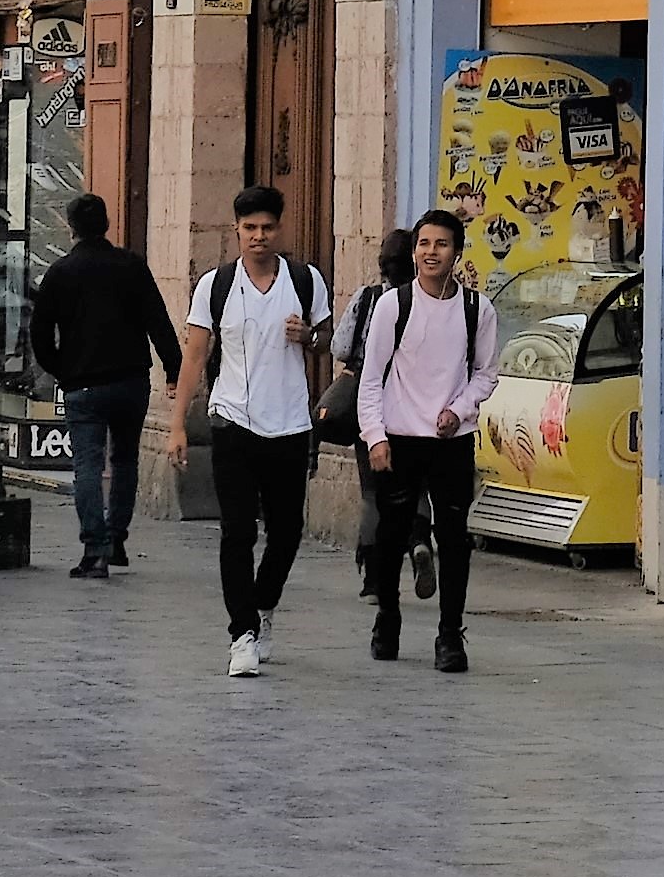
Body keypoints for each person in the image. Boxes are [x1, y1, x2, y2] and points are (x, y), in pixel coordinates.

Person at [175, 185, 330, 673]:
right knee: (237, 531)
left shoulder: (304, 280)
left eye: (266, 228)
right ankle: (241, 632)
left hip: (288, 424)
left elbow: (329, 341)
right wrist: (177, 423)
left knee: (286, 531)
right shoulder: (215, 286)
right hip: (233, 422)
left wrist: (308, 337)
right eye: (249, 229)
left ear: (279, 230)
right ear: (236, 231)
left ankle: (262, 607)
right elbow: (195, 355)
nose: (258, 237)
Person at [345, 204, 502, 670]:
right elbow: (370, 377)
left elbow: (487, 373)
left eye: (442, 244)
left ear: (457, 252)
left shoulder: (478, 309)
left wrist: (459, 410)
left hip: (451, 442)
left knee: (454, 539)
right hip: (400, 438)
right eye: (424, 244)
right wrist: (375, 436)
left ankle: (450, 636)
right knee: (391, 535)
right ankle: (388, 619)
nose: (432, 253)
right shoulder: (395, 305)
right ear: (413, 252)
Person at [25, 191, 181, 577]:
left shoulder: (61, 272)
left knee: (88, 466)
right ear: (107, 224)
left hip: (84, 383)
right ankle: (117, 538)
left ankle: (95, 548)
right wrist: (174, 370)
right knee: (125, 459)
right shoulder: (130, 265)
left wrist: (61, 368)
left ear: (71, 227)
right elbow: (157, 320)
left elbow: (40, 333)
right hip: (130, 379)